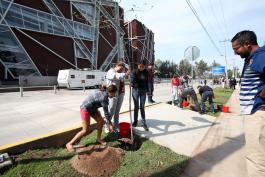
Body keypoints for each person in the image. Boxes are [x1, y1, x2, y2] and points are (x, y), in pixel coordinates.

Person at [231, 30, 265, 177]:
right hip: (254, 113)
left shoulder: (259, 57)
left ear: (247, 44)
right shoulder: (252, 58)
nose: (235, 53)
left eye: (236, 49)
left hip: (258, 114)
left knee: (255, 160)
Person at [66, 85, 117, 152]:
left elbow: (95, 100)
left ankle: (98, 139)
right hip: (85, 109)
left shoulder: (103, 91)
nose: (114, 95)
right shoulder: (104, 98)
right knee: (85, 130)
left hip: (92, 109)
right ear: (111, 92)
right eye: (114, 93)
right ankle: (69, 144)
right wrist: (110, 124)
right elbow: (106, 114)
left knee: (101, 121)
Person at [105, 62, 130, 132]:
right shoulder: (111, 71)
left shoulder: (120, 72)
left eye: (123, 69)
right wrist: (127, 72)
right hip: (113, 95)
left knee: (117, 111)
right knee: (112, 111)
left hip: (120, 94)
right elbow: (118, 76)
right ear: (117, 66)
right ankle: (107, 125)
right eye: (121, 68)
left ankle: (116, 126)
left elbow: (123, 80)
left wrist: (127, 68)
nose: (122, 70)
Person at [131, 60, 149, 131]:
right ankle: (135, 121)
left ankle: (143, 122)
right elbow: (132, 80)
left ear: (145, 66)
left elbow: (147, 81)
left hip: (143, 91)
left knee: (142, 107)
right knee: (136, 106)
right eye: (140, 66)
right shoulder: (134, 72)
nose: (141, 68)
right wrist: (133, 83)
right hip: (136, 91)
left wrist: (147, 90)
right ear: (138, 65)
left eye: (143, 66)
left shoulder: (146, 72)